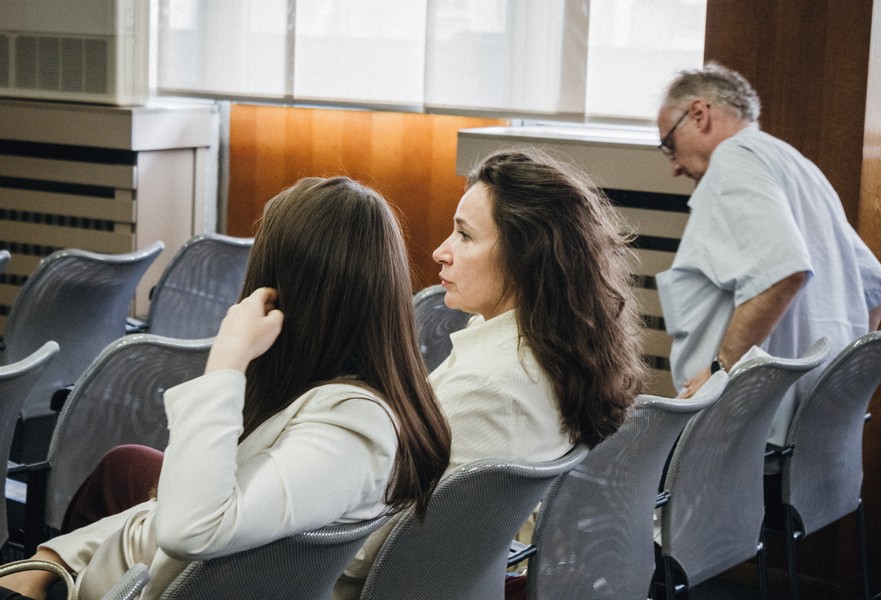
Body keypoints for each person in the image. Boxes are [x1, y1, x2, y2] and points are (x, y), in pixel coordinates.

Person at [0, 176, 452, 600]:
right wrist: (56, 556)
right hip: (130, 567)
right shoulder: (339, 396)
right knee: (124, 467)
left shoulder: (351, 429)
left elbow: (189, 528)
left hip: (129, 587)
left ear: (281, 290)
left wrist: (227, 363)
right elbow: (168, 515)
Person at [333, 148, 647, 598]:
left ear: (525, 257)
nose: (441, 252)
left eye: (465, 235)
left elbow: (364, 552)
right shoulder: (560, 349)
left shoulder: (488, 386)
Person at [654, 62, 881, 444]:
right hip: (807, 428)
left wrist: (721, 369)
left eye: (670, 146)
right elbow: (877, 289)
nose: (675, 167)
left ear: (699, 114)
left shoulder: (733, 158)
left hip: (747, 429)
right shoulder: (796, 164)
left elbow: (784, 270)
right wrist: (833, 386)